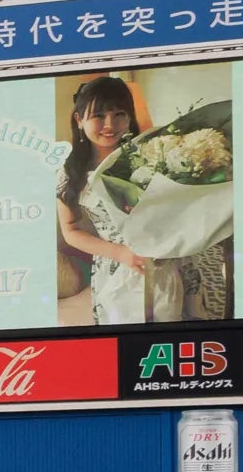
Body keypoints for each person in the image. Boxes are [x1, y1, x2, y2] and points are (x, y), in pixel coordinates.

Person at [57, 73, 231, 324]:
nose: (110, 124)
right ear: (79, 119)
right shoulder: (70, 170)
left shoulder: (152, 153)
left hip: (170, 260)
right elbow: (70, 230)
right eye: (98, 116)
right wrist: (120, 253)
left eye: (120, 114)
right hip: (117, 264)